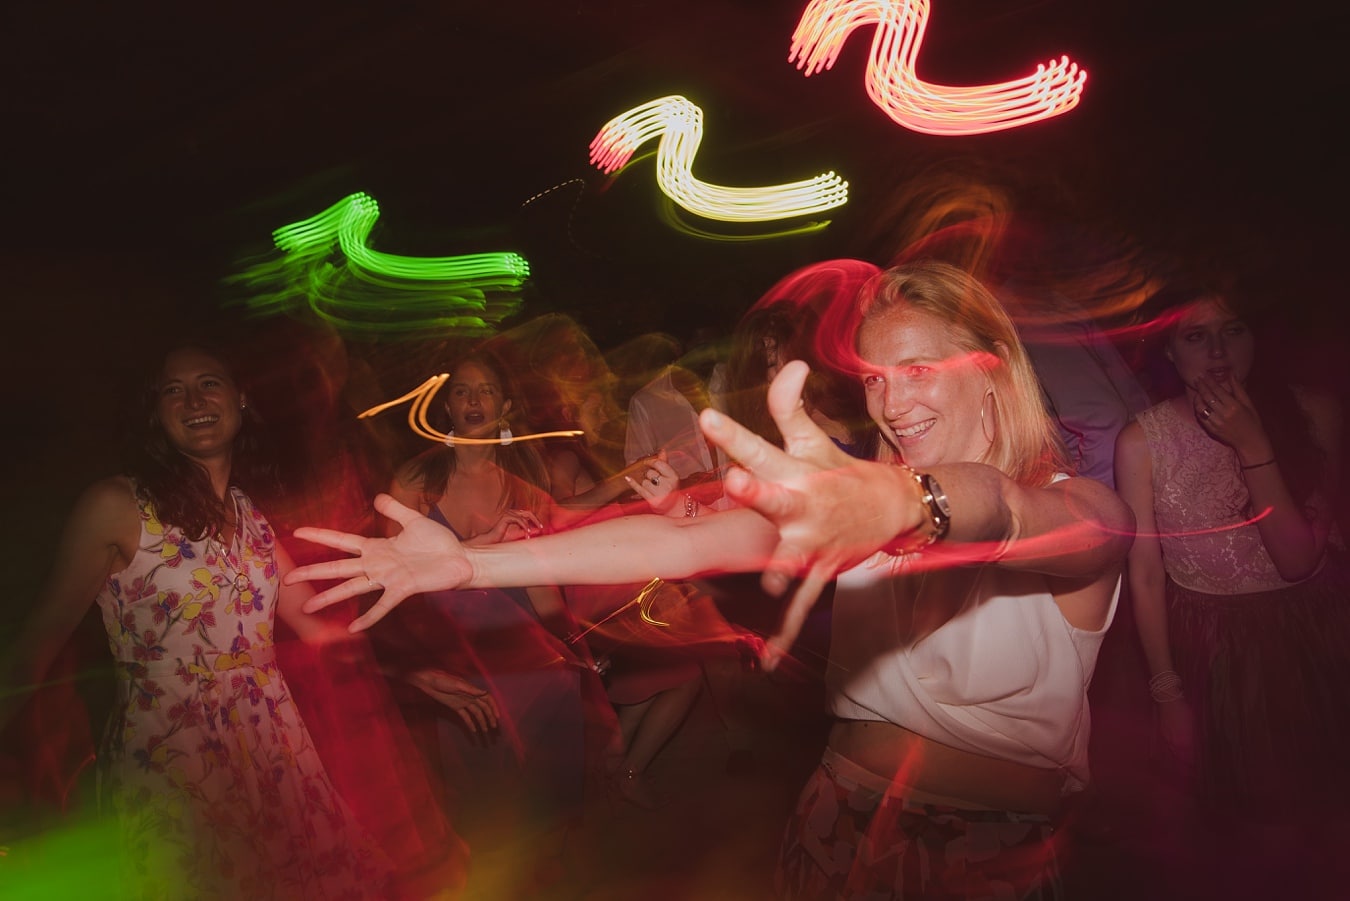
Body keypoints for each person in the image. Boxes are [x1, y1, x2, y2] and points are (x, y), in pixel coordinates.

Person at [289, 261, 1134, 899]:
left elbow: (1007, 511)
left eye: (920, 370)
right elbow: (676, 547)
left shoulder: (1076, 507)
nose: (891, 400)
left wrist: (910, 500)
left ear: (989, 368)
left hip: (990, 859)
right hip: (836, 822)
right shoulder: (842, 508)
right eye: (875, 376)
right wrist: (471, 562)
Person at [0, 343, 398, 899]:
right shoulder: (116, 504)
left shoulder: (250, 514)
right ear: (156, 413)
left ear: (239, 399)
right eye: (173, 390)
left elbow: (318, 628)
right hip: (173, 755)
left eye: (209, 383)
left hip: (271, 751)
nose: (194, 400)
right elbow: (40, 639)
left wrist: (426, 664)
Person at [1113, 281, 1349, 889]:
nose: (1217, 349)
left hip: (1311, 634)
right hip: (1214, 649)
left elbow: (1297, 559)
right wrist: (1167, 695)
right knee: (1253, 835)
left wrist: (1253, 445)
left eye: (1233, 329)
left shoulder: (1312, 410)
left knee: (1325, 821)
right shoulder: (1143, 440)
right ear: (1170, 351)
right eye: (1196, 335)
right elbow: (1144, 573)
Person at [375, 347, 607, 878]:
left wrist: (582, 661)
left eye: (485, 390)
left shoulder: (524, 486)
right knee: (485, 818)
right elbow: (396, 592)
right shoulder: (414, 482)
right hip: (461, 670)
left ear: (505, 405)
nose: (473, 400)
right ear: (446, 406)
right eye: (461, 389)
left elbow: (545, 590)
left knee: (548, 811)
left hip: (535, 667)